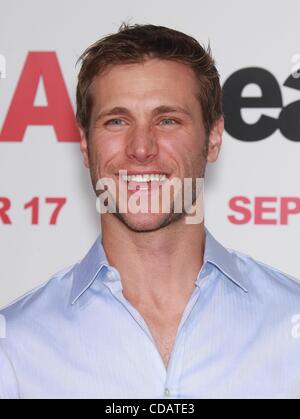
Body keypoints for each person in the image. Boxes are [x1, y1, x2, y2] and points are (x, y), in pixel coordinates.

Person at [0, 23, 300, 400]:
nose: (141, 148)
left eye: (167, 120)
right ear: (84, 145)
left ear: (213, 138)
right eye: (117, 121)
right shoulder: (14, 346)